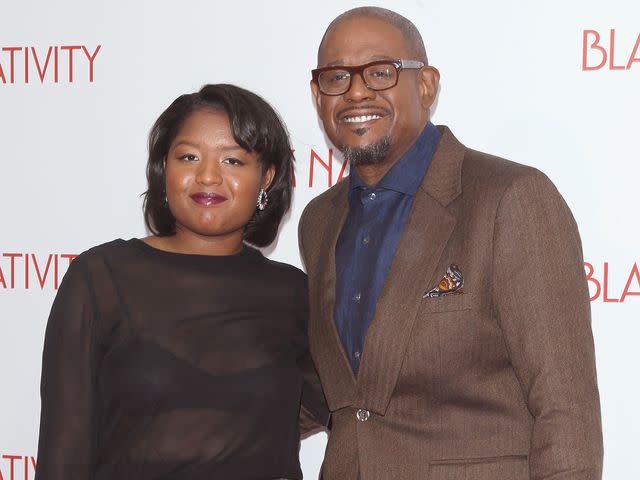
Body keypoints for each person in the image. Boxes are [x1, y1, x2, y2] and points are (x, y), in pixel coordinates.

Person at [298, 7, 602, 480]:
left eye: (380, 72)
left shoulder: (509, 198)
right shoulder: (318, 221)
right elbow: (338, 390)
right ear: (318, 95)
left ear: (426, 84)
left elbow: (564, 408)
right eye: (336, 77)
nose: (356, 91)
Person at [35, 83, 327, 480]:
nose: (207, 176)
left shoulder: (294, 293)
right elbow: (63, 455)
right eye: (188, 157)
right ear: (163, 170)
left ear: (267, 178)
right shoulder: (100, 279)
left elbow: (353, 408)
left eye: (233, 161)